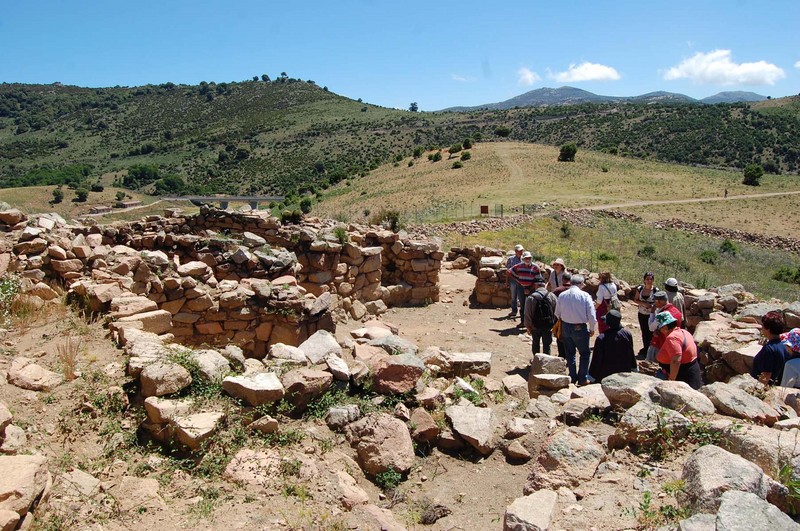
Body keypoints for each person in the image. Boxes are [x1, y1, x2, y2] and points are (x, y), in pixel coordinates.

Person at [554, 274, 596, 385]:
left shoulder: (562, 295)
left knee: (570, 353)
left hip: (566, 326)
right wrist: (592, 328)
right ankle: (582, 378)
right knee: (584, 353)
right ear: (581, 283)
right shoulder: (585, 296)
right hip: (580, 327)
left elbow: (557, 313)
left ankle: (572, 377)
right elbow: (592, 314)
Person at [654, 312, 703, 390]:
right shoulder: (684, 332)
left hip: (682, 375)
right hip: (691, 370)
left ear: (665, 327)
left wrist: (671, 381)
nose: (660, 330)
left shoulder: (672, 338)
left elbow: (676, 360)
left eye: (660, 328)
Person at [589, 310, 637, 382]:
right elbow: (631, 352)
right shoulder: (627, 334)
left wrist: (592, 376)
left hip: (605, 376)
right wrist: (634, 367)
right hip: (624, 373)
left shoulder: (602, 338)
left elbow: (596, 359)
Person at [751, 311, 788, 386]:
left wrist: (756, 391)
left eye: (763, 325)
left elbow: (766, 374)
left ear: (768, 329)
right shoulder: (783, 344)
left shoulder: (769, 349)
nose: (762, 327)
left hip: (766, 387)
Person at [524, 274, 557, 356]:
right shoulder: (551, 296)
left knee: (535, 343)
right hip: (548, 325)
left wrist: (528, 326)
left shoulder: (531, 297)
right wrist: (554, 324)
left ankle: (536, 361)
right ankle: (546, 361)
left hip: (536, 325)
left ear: (535, 285)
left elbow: (527, 313)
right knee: (547, 345)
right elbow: (556, 311)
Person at [646, 291, 683, 362]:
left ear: (659, 302)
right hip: (673, 346)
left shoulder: (663, 315)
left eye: (655, 301)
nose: (654, 303)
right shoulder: (677, 312)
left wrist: (652, 312)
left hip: (659, 345)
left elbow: (651, 328)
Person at [508, 251, 541, 326]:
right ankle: (523, 322)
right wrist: (517, 280)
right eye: (526, 258)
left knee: (531, 305)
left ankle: (531, 323)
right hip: (521, 287)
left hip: (532, 288)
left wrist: (530, 288)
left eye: (529, 258)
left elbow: (538, 279)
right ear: (523, 259)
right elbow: (509, 272)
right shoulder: (519, 266)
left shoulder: (535, 267)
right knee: (522, 305)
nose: (528, 259)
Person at [634, 272, 657, 359]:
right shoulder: (640, 289)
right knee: (644, 332)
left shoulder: (655, 290)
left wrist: (651, 306)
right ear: (644, 280)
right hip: (642, 314)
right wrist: (643, 303)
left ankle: (650, 350)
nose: (649, 281)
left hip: (651, 314)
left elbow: (658, 302)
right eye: (647, 279)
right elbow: (635, 299)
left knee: (651, 332)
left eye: (651, 279)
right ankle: (645, 348)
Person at [551, 271, 572, 358]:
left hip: (561, 317)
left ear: (562, 279)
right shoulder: (577, 291)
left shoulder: (558, 290)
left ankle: (562, 355)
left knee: (560, 337)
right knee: (570, 338)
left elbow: (552, 303)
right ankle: (570, 355)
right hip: (573, 318)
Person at [505, 244, 524, 318]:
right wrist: (507, 281)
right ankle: (514, 311)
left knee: (521, 297)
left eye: (522, 250)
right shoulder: (511, 259)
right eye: (519, 251)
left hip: (522, 281)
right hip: (513, 280)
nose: (521, 252)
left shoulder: (524, 259)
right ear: (516, 251)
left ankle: (522, 313)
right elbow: (508, 271)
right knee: (514, 297)